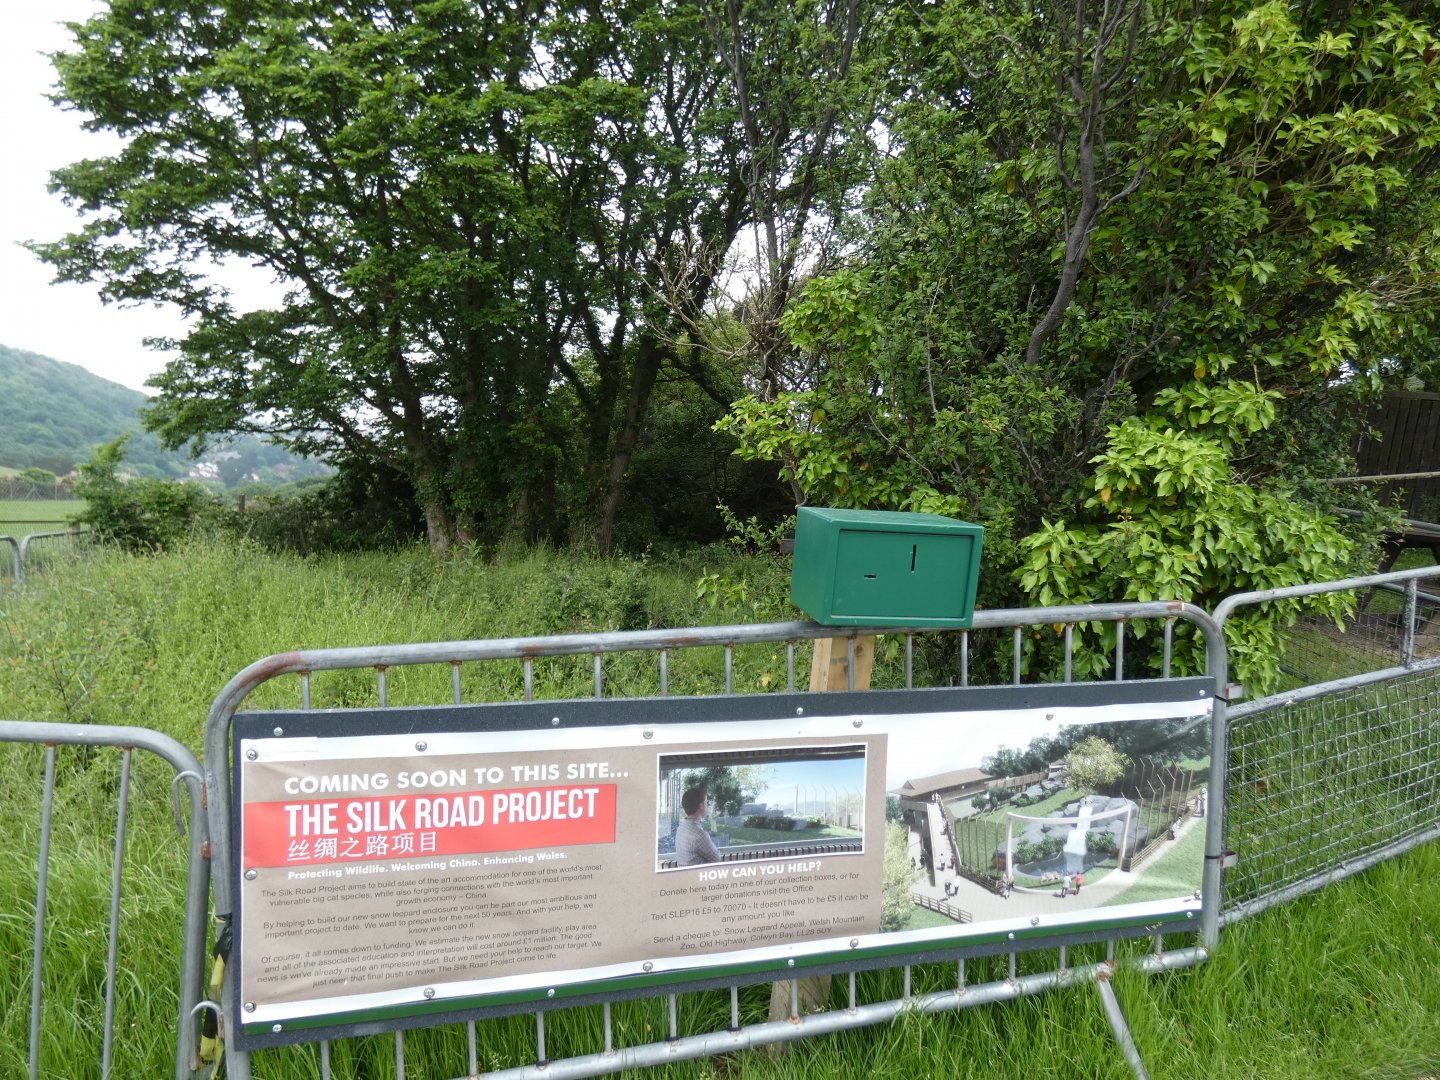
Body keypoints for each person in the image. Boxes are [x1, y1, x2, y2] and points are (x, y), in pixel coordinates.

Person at [675, 785, 721, 867]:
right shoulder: (700, 835)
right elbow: (717, 858)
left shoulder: (681, 827)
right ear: (701, 806)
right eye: (706, 802)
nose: (707, 805)